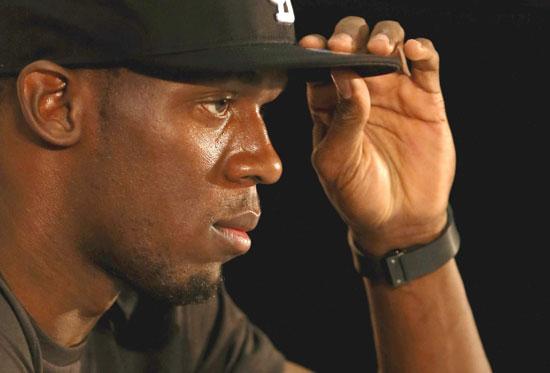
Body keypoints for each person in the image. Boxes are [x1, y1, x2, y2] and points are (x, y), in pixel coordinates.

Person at [0, 1, 492, 372]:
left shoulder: (153, 316)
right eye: (219, 103)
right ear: (55, 104)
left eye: (264, 108)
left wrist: (407, 235)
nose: (270, 163)